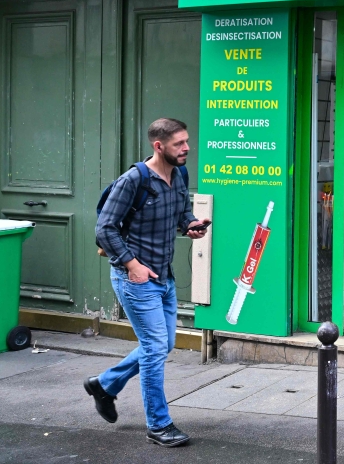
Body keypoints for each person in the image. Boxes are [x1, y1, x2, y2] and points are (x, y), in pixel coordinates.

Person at [84, 118, 210, 447]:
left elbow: (180, 213)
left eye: (186, 141)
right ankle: (159, 424)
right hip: (136, 279)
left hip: (164, 276)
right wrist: (132, 264)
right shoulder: (134, 180)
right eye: (178, 144)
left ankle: (104, 385)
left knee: (162, 345)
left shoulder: (179, 174)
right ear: (158, 146)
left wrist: (191, 225)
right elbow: (104, 229)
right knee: (154, 349)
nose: (186, 148)